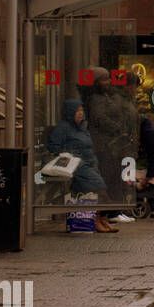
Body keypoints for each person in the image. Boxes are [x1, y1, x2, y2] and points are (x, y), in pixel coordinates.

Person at [47, 98, 116, 233]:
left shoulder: (82, 128)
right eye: (77, 111)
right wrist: (69, 154)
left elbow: (89, 148)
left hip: (89, 164)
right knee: (99, 188)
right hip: (76, 165)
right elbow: (53, 146)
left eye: (81, 110)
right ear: (69, 112)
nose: (80, 113)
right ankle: (97, 220)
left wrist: (94, 162)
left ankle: (103, 219)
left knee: (104, 189)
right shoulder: (63, 128)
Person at [87, 67, 140, 226]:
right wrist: (118, 128)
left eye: (108, 79)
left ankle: (116, 210)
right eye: (104, 79)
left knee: (117, 178)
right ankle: (111, 212)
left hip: (116, 144)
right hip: (107, 145)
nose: (108, 82)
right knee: (111, 179)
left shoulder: (108, 98)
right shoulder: (100, 99)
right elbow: (102, 118)